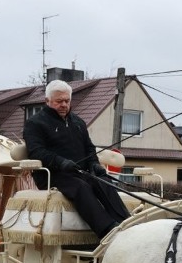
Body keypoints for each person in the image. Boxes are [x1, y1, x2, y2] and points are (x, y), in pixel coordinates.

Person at [23, 79, 130, 238]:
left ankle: (127, 223)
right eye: (59, 101)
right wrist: (61, 162)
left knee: (103, 181)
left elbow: (89, 147)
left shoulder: (78, 122)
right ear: (47, 101)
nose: (64, 105)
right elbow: (36, 152)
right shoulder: (35, 123)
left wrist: (94, 164)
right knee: (81, 187)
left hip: (79, 172)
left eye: (67, 101)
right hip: (52, 175)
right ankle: (108, 230)